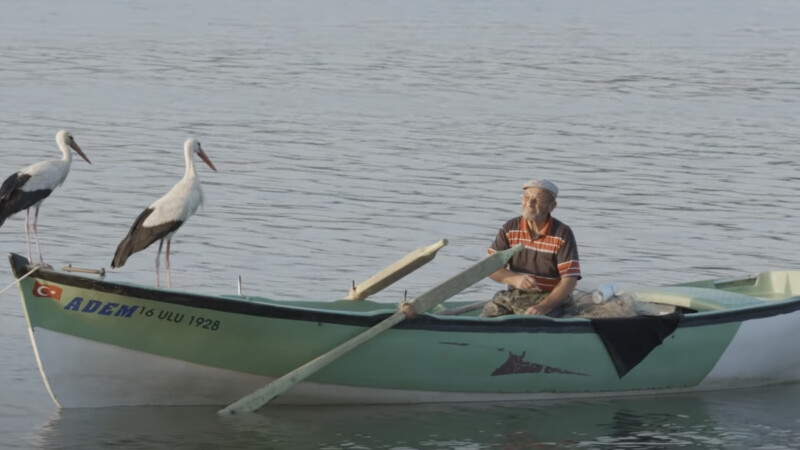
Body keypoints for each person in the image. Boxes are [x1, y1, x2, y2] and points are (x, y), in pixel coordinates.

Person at [481, 179, 581, 317]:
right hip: (514, 295)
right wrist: (513, 279)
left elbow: (570, 281)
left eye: (537, 200)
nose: (529, 203)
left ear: (552, 206)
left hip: (549, 298)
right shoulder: (510, 228)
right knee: (487, 317)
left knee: (532, 320)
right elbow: (490, 268)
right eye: (526, 198)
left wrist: (544, 307)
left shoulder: (562, 233)